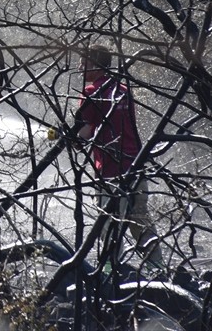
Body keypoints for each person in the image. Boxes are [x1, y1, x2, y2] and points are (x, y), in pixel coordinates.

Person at [71, 45, 164, 268]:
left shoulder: (91, 93)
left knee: (109, 227)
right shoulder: (122, 89)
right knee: (141, 223)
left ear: (95, 64)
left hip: (111, 173)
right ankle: (159, 272)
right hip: (135, 166)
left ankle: (110, 277)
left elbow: (83, 134)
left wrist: (66, 137)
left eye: (84, 63)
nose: (80, 67)